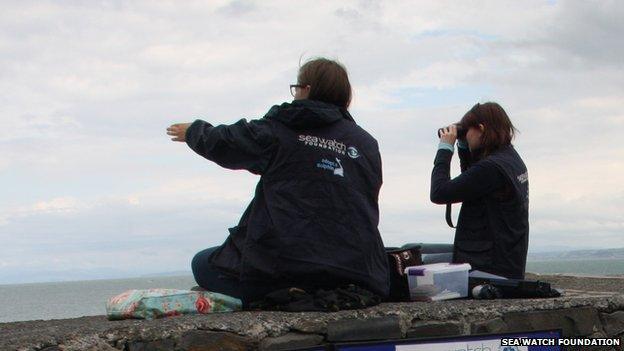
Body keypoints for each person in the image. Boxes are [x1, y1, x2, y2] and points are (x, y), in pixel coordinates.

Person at [166, 58, 390, 305]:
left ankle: (290, 291)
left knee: (202, 263)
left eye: (297, 88)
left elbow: (230, 142)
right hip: (357, 271)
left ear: (306, 89)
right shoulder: (366, 144)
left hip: (286, 266)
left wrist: (193, 132)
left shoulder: (282, 128)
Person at [430, 102, 529, 279]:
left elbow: (439, 192)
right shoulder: (511, 160)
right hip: (505, 262)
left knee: (423, 261)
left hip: (488, 267)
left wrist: (445, 149)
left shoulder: (491, 168)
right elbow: (472, 184)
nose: (466, 136)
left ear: (481, 129)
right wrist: (462, 145)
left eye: (467, 131)